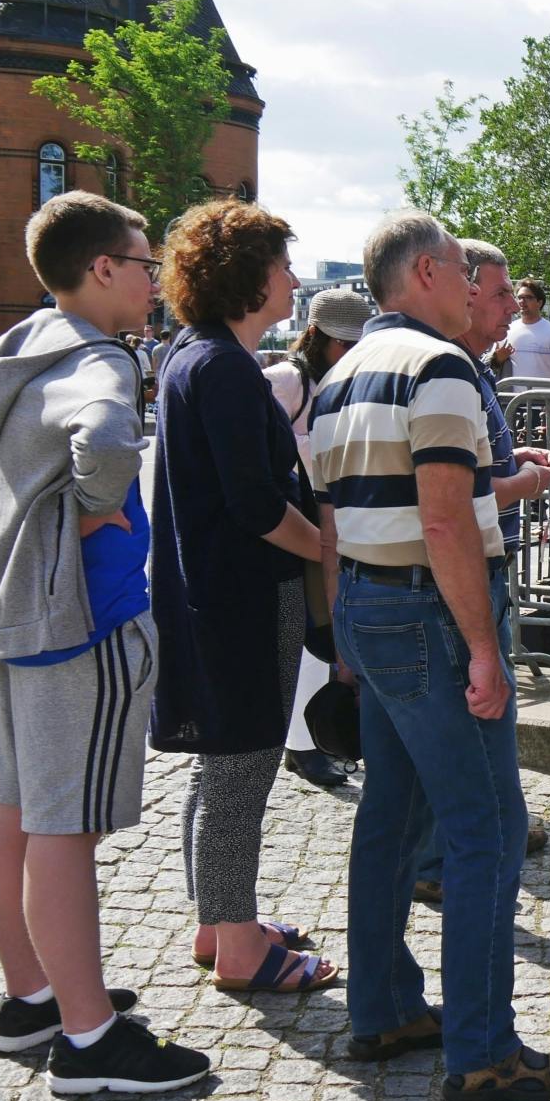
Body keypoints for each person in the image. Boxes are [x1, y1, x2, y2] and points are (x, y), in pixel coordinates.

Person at [312, 211, 550, 1101]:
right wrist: (482, 649)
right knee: (489, 827)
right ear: (426, 272)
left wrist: (344, 638)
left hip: (366, 605)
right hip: (428, 613)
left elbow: (331, 524)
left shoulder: (342, 371)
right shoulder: (439, 366)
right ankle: (481, 1050)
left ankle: (386, 1008)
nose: (476, 291)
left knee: (391, 813)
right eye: (464, 275)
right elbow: (444, 520)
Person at [0, 192, 210, 1094]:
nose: (155, 283)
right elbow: (107, 441)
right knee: (62, 827)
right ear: (102, 268)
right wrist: (94, 507)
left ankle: (33, 998)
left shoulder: (18, 347)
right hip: (83, 622)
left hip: (21, 619)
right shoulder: (99, 356)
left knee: (15, 811)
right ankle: (90, 1038)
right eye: (146, 265)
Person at [150, 199, 335, 995]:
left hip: (213, 598)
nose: (293, 278)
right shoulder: (222, 367)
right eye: (283, 264)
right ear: (249, 275)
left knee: (218, 769)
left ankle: (218, 921)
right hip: (244, 602)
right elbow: (258, 507)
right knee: (240, 772)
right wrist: (329, 549)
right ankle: (238, 949)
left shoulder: (195, 355)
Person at [409, 239, 550, 906]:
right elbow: (447, 501)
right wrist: (519, 483)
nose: (510, 308)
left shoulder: (470, 368)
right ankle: (450, 857)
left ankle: (491, 826)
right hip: (458, 573)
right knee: (473, 709)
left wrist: (508, 458)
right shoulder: (447, 371)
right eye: (499, 294)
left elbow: (468, 469)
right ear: (463, 293)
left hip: (469, 562)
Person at [266, 286, 372, 791]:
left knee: (324, 632)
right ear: (316, 337)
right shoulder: (289, 381)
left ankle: (309, 739)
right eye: (340, 343)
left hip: (331, 517)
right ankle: (302, 744)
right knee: (316, 631)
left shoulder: (340, 382)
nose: (347, 353)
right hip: (299, 520)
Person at [503, 276, 550, 380]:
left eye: (528, 297)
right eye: (519, 297)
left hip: (543, 395)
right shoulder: (507, 329)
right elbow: (492, 365)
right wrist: (497, 358)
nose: (522, 301)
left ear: (539, 302)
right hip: (511, 396)